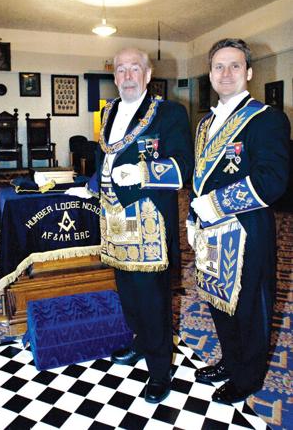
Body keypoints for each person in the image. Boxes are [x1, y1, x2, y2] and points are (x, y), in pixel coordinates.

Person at [70, 47, 194, 403]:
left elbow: (184, 166)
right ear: (114, 76)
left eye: (134, 68)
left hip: (148, 219)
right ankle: (141, 342)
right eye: (121, 69)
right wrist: (91, 184)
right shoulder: (107, 111)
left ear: (148, 73)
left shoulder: (169, 112)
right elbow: (107, 159)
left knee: (152, 296)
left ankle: (160, 370)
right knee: (127, 290)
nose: (127, 75)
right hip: (114, 216)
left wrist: (143, 172)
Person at [188, 38, 290, 404]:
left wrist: (216, 205)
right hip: (210, 232)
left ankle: (248, 377)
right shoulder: (204, 125)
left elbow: (273, 180)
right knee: (218, 302)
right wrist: (192, 218)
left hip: (247, 232)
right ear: (210, 74)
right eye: (218, 66)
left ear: (248, 72)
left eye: (234, 66)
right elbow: (199, 178)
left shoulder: (267, 119)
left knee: (249, 307)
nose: (226, 73)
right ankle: (231, 361)